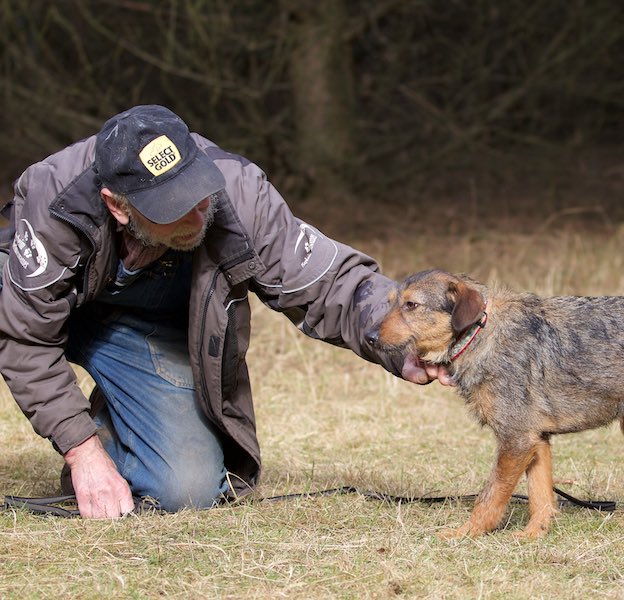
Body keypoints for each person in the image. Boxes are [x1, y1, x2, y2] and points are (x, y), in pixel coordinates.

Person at [0, 105, 450, 518]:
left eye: (197, 192)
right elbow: (23, 336)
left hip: (138, 327)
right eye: (173, 208)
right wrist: (81, 452)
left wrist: (402, 344)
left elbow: (329, 282)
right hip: (36, 309)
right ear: (117, 206)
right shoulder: (55, 202)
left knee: (187, 488)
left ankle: (116, 431)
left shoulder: (236, 191)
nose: (198, 216)